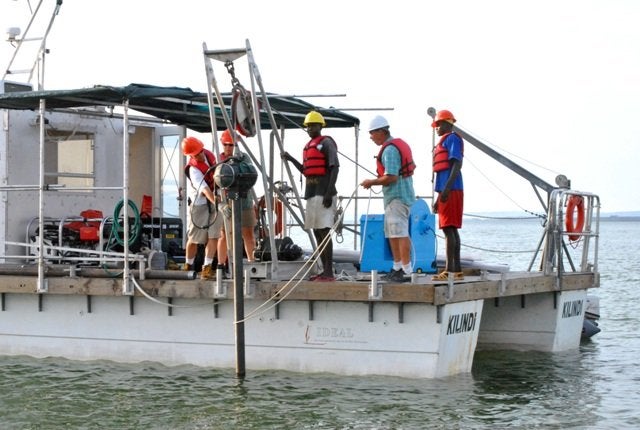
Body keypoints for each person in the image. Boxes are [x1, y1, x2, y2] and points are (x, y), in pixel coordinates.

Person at [282, 111, 339, 282]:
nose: (309, 128)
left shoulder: (327, 143)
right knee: (316, 231)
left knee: (324, 230)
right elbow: (307, 171)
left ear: (320, 126)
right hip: (311, 193)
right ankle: (323, 269)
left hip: (323, 193)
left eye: (313, 125)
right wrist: (291, 159)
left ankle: (329, 271)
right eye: (307, 126)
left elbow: (334, 167)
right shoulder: (309, 146)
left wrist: (329, 192)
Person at [360, 115, 416, 283]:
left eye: (372, 133)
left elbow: (391, 177)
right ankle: (397, 267)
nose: (370, 137)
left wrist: (371, 182)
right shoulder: (391, 147)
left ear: (381, 131)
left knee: (400, 233)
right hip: (396, 198)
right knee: (393, 233)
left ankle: (407, 270)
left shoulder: (390, 150)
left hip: (397, 197)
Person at [181, 136, 223, 280]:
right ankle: (188, 265)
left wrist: (220, 201)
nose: (199, 155)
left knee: (214, 235)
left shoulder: (210, 155)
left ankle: (207, 267)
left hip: (216, 199)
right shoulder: (193, 169)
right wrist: (216, 202)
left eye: (199, 151)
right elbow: (205, 190)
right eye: (195, 153)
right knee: (194, 237)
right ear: (190, 155)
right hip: (199, 203)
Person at [431, 109, 464, 281]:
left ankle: (449, 270)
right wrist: (439, 197)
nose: (436, 128)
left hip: (452, 189)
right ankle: (456, 270)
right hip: (448, 190)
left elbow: (457, 164)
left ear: (446, 124)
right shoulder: (446, 140)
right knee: (450, 228)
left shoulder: (452, 139)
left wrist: (447, 190)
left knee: (449, 229)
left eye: (438, 125)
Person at [217, 129, 257, 268]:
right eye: (225, 144)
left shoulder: (245, 159)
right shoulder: (219, 161)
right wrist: (220, 204)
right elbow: (214, 185)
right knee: (224, 235)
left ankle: (253, 264)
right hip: (227, 202)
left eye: (231, 144)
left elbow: (250, 176)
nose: (228, 147)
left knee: (248, 234)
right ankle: (221, 266)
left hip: (244, 201)